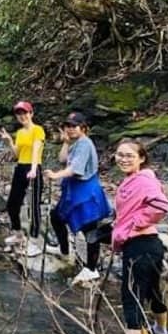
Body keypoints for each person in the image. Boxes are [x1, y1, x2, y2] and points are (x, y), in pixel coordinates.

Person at [112, 139, 168, 334]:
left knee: (132, 298)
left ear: (141, 158)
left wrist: (133, 224)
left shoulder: (143, 180)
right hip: (150, 244)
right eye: (120, 155)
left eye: (129, 155)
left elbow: (161, 205)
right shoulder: (133, 179)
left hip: (139, 245)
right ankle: (161, 331)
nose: (123, 159)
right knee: (153, 291)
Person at [44, 112, 111, 286]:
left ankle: (91, 269)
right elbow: (62, 159)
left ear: (83, 127)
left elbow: (75, 169)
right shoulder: (76, 143)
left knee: (89, 230)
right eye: (68, 126)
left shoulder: (85, 144)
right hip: (74, 191)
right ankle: (64, 250)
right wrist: (65, 142)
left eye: (74, 126)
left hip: (85, 193)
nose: (70, 129)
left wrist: (56, 175)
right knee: (57, 216)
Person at [0, 101, 45, 247]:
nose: (22, 116)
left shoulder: (38, 130)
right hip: (20, 167)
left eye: (24, 113)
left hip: (34, 168)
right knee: (12, 203)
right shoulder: (20, 133)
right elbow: (17, 154)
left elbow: (37, 148)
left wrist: (33, 168)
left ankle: (34, 241)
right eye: (19, 113)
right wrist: (9, 142)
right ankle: (18, 234)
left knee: (34, 206)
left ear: (31, 114)